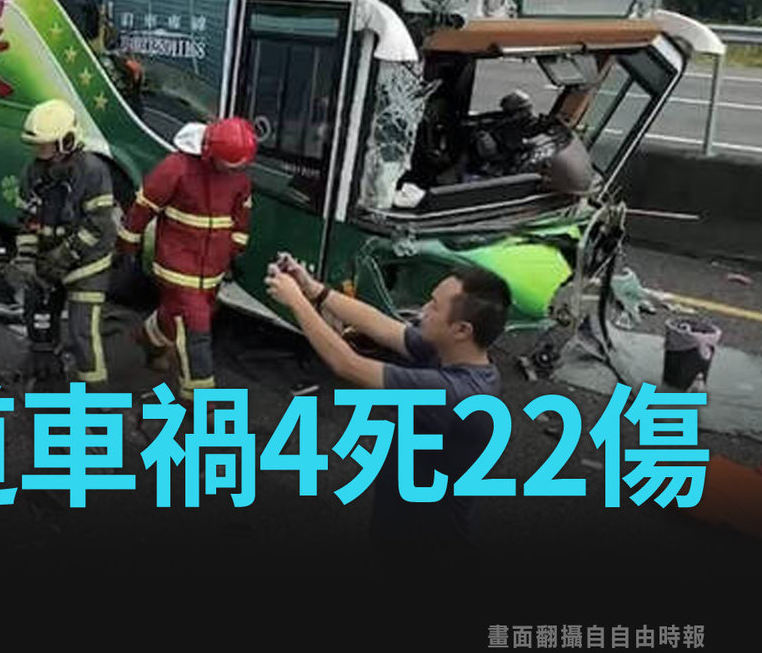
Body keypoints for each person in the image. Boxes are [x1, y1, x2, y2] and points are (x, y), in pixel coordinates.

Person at [263, 255, 507, 556]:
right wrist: (315, 291)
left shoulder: (454, 394)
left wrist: (296, 301)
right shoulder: (453, 353)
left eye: (433, 306)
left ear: (461, 330)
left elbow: (347, 364)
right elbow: (382, 326)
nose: (423, 311)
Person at [119, 117, 256, 401]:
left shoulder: (238, 176)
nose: (234, 172)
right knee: (196, 329)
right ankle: (200, 402)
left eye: (239, 167)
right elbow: (144, 207)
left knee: (180, 314)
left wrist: (234, 250)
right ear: (208, 152)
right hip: (177, 266)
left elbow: (241, 216)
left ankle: (149, 337)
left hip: (213, 270)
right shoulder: (176, 168)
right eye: (229, 166)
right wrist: (127, 244)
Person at [12, 99, 116, 386]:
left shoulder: (93, 171)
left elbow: (97, 225)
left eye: (45, 145)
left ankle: (96, 394)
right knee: (38, 319)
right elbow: (26, 220)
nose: (39, 152)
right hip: (48, 260)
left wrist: (64, 255)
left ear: (67, 141)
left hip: (88, 264)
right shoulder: (32, 172)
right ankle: (48, 372)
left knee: (82, 330)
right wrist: (27, 259)